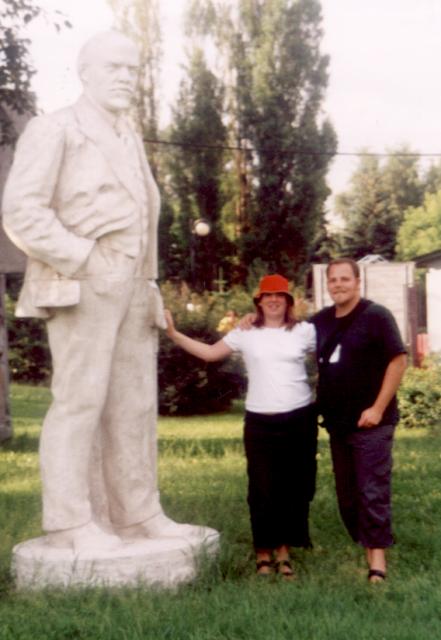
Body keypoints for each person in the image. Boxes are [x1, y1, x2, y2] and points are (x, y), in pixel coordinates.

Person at [2, 30, 209, 552]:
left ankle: (138, 514)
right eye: (113, 67)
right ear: (85, 72)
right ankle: (70, 522)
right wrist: (84, 258)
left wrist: (151, 284)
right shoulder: (56, 129)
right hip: (82, 282)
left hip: (133, 289)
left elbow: (142, 216)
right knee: (80, 402)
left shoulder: (130, 136)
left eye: (133, 70)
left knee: (134, 405)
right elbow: (21, 212)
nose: (125, 78)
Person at [164, 274, 318, 579]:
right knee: (262, 487)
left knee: (293, 487)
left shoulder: (305, 331)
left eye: (280, 296)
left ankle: (285, 551)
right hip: (260, 420)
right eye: (267, 296)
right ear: (258, 302)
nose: (273, 300)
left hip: (299, 418)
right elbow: (209, 353)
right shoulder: (245, 332)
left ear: (289, 302)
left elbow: (336, 344)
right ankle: (263, 551)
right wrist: (173, 334)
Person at [311, 258, 407, 582]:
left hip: (372, 423)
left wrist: (378, 407)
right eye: (333, 280)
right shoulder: (320, 321)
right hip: (338, 424)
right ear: (327, 284)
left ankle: (377, 564)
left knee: (371, 490)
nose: (338, 284)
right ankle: (366, 543)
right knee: (348, 497)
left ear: (357, 282)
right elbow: (287, 335)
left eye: (344, 279)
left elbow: (398, 360)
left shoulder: (376, 316)